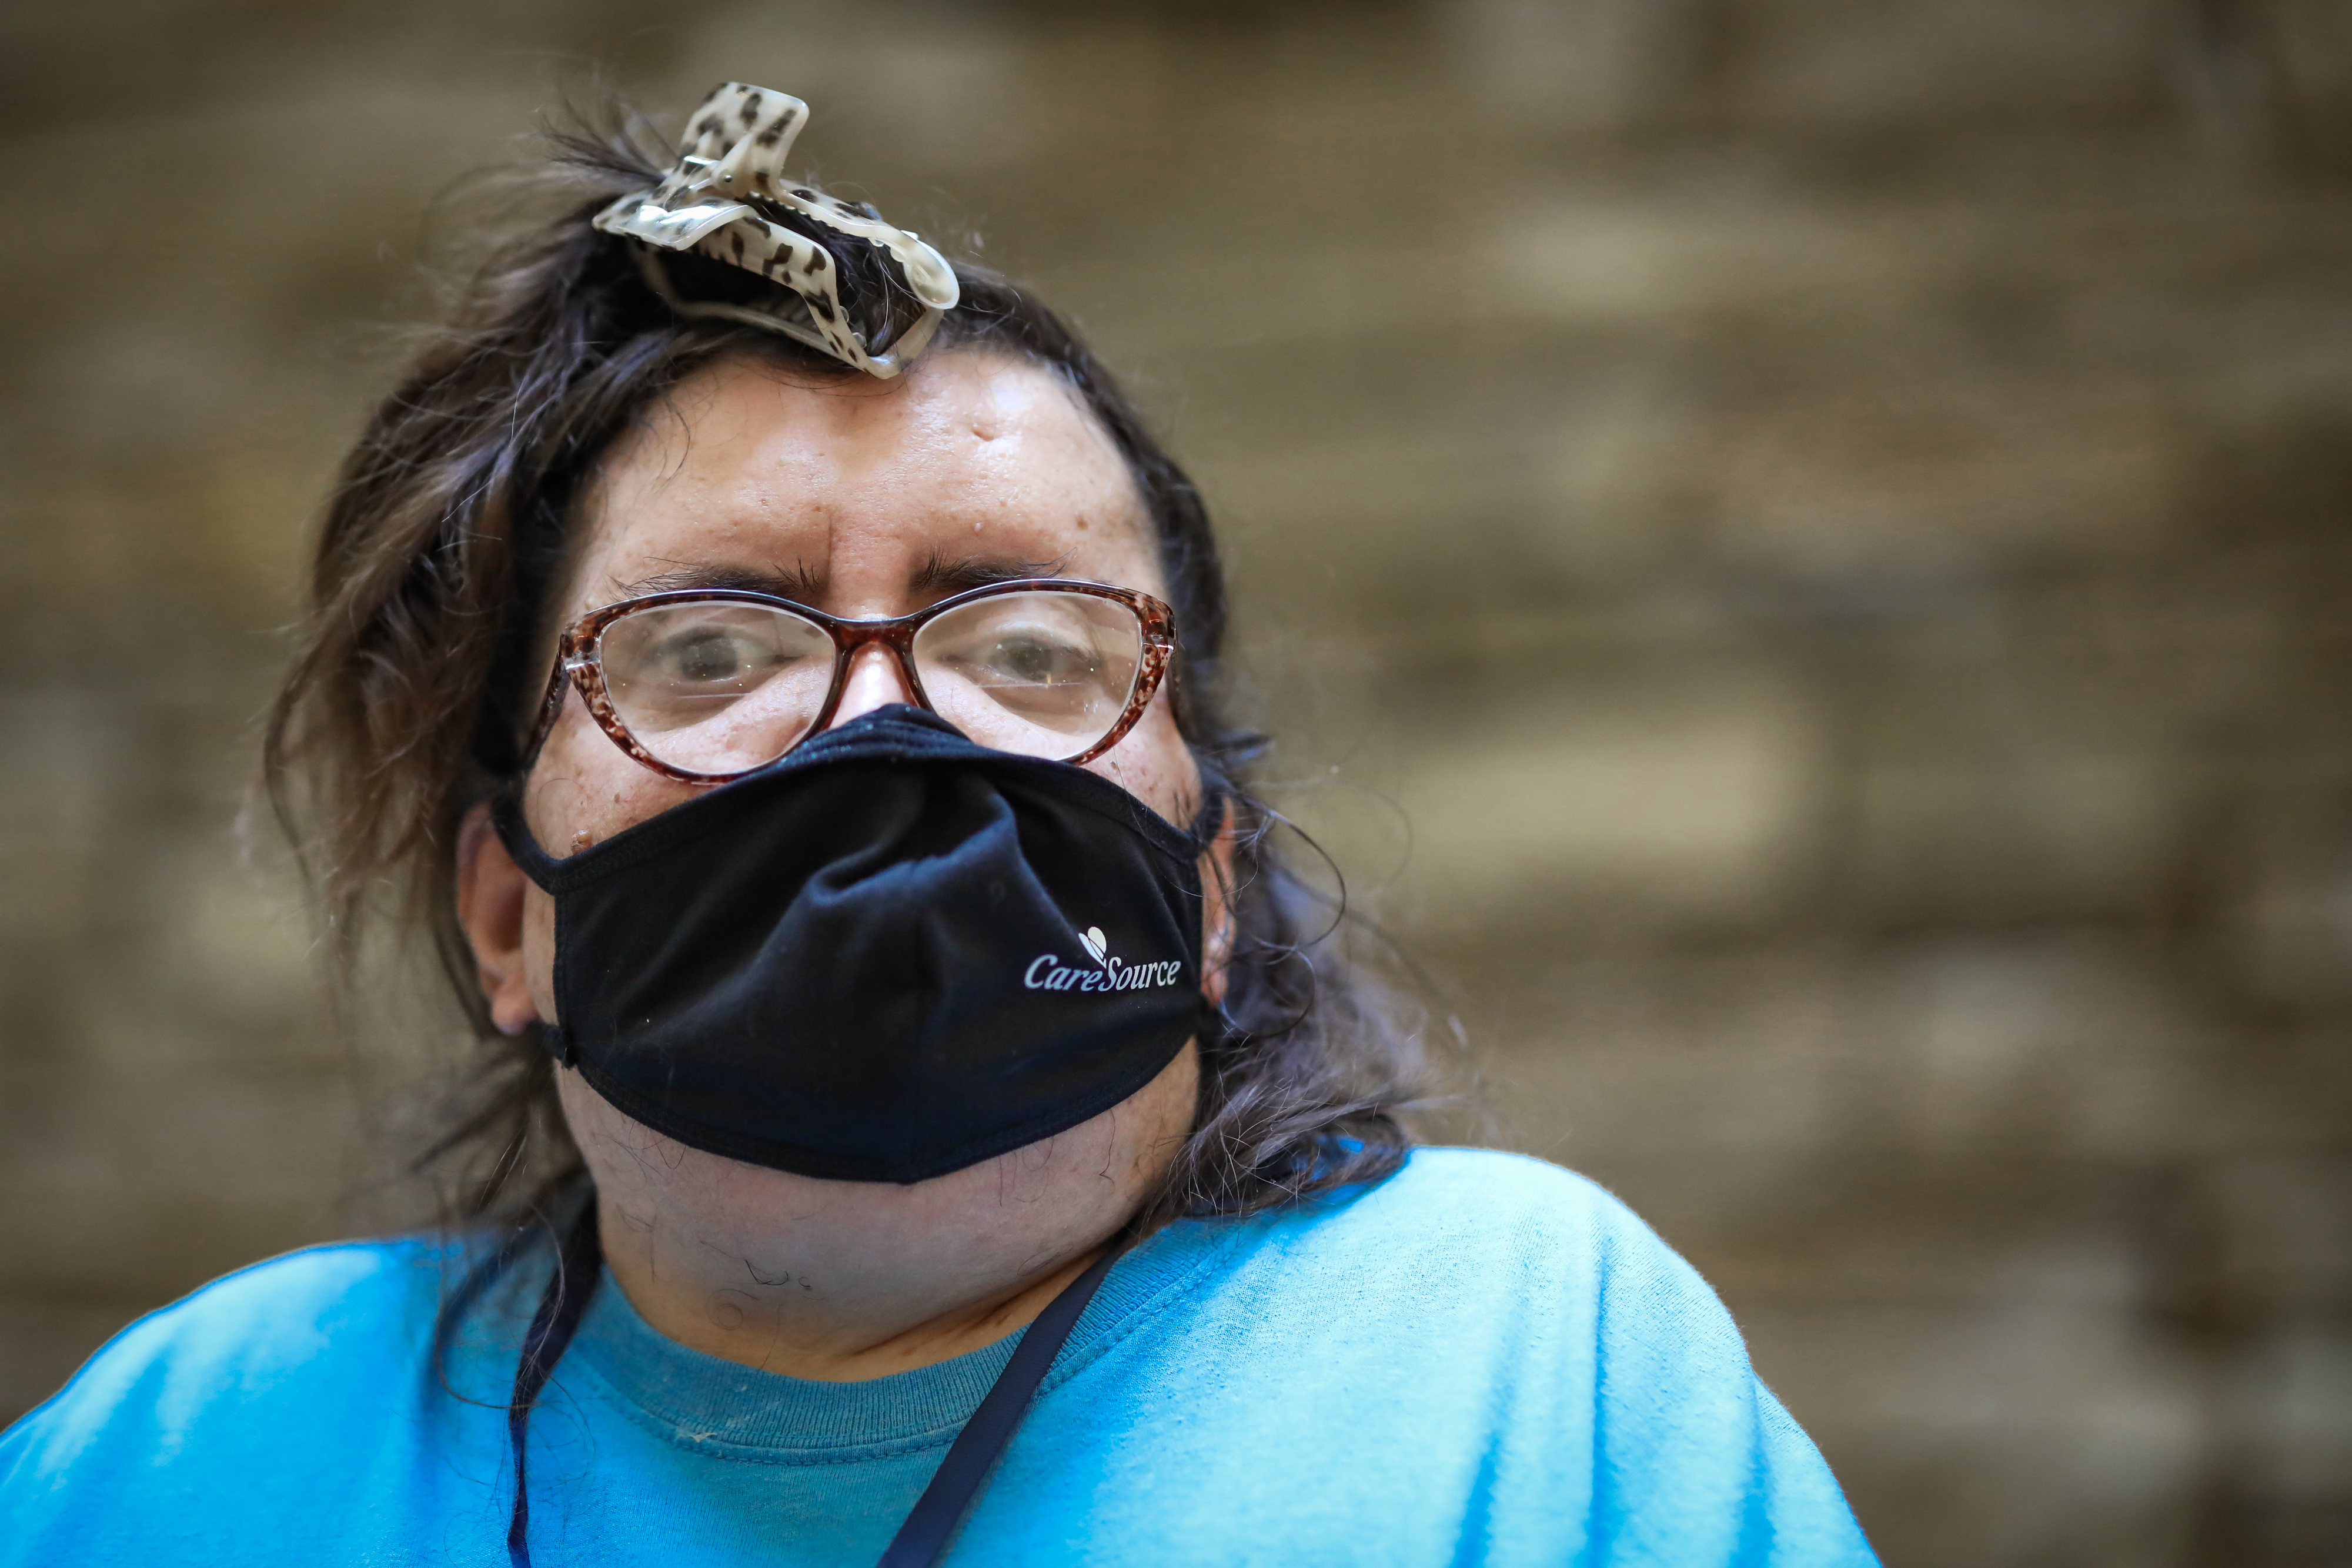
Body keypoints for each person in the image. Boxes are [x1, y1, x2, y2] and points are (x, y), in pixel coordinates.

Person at [0, 85, 1878, 1567]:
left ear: (1210, 891)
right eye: (714, 640)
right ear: (508, 919)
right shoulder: (182, 1444)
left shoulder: (1529, 1366)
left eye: (1033, 643)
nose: (884, 716)